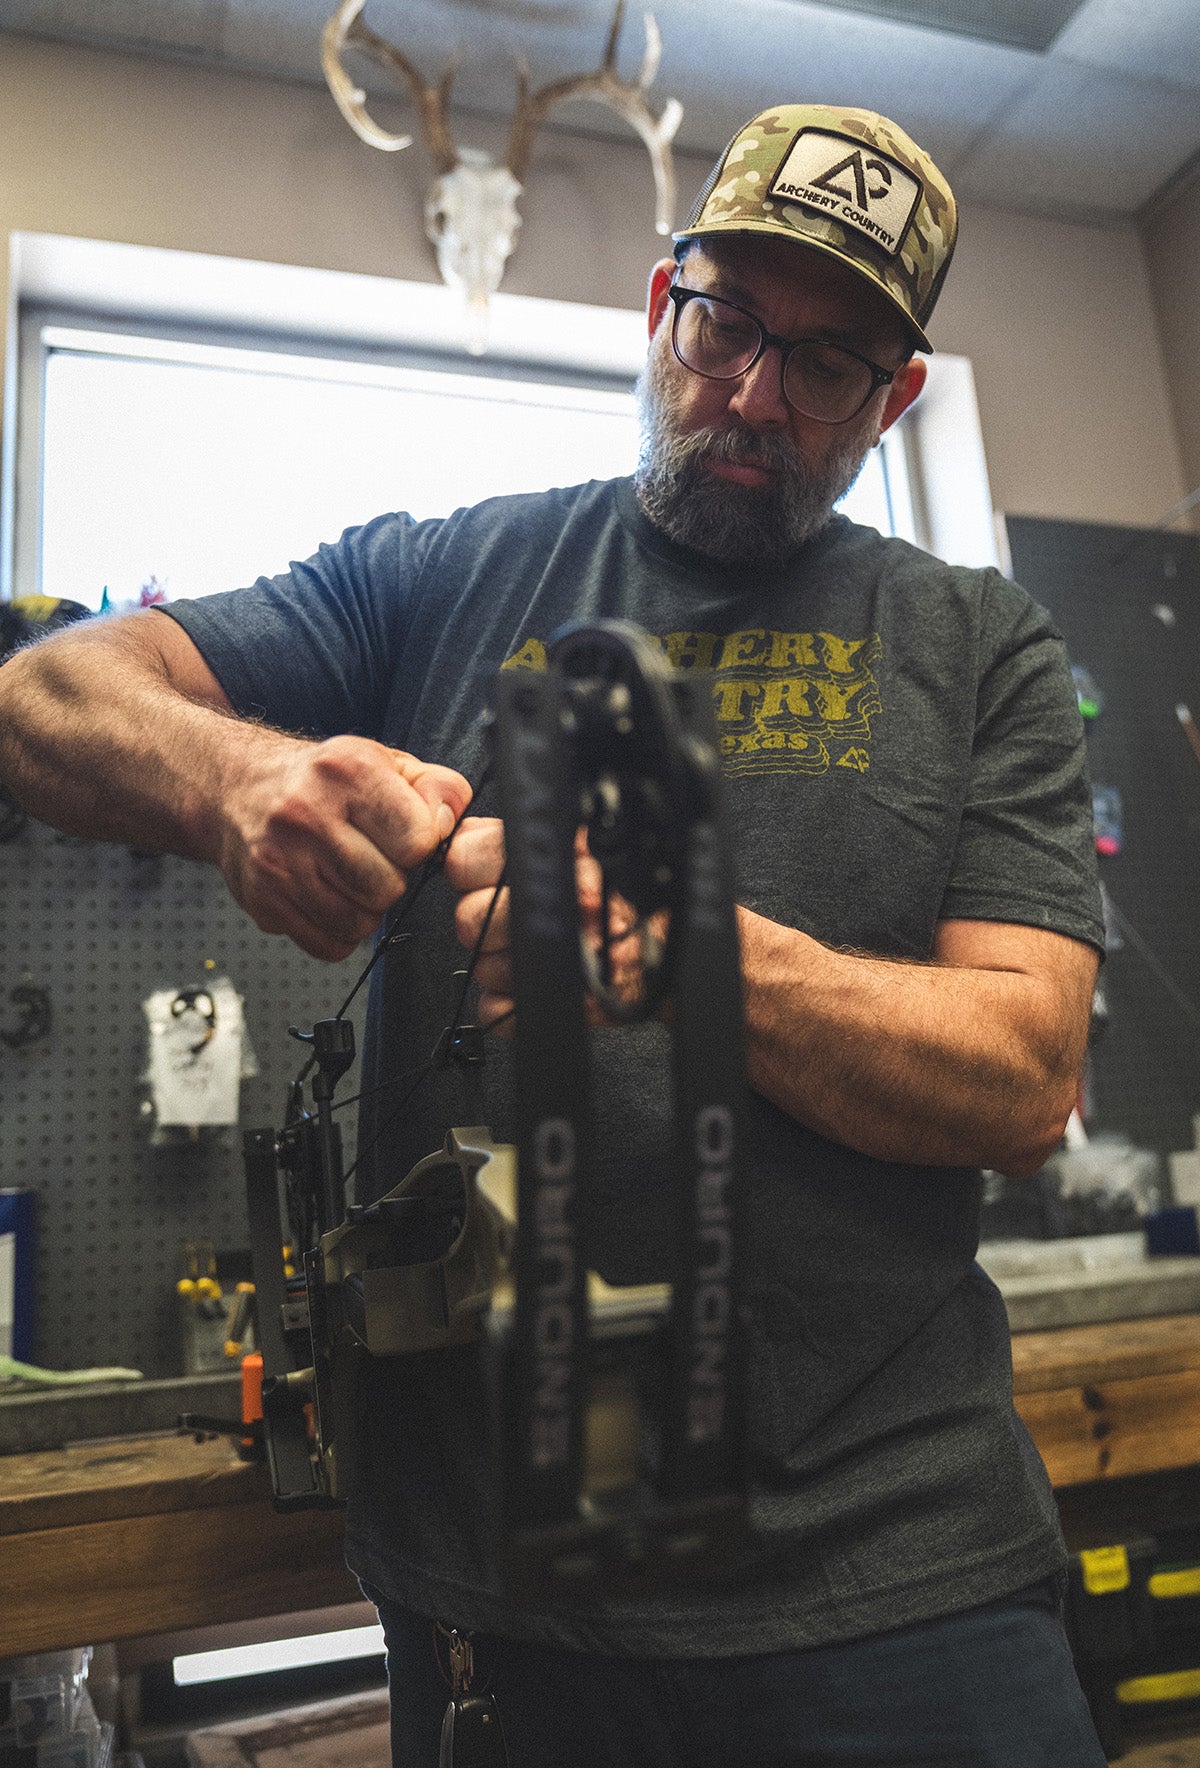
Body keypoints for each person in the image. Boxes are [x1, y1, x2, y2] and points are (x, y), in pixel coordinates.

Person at [0, 104, 1107, 1765]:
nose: (748, 396)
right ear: (660, 305)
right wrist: (243, 781)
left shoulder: (979, 645)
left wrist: (679, 944)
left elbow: (1023, 1078)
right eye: (724, 323)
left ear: (898, 402)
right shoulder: (445, 573)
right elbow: (44, 695)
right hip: (503, 1602)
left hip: (910, 1582)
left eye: (822, 367)